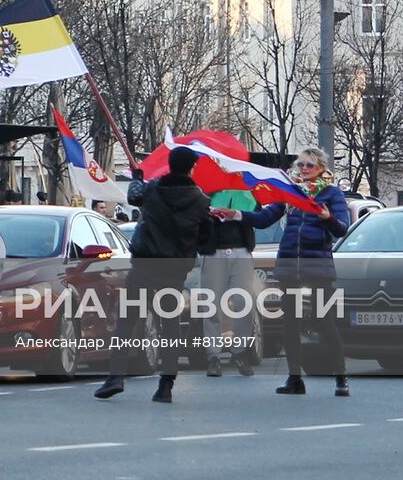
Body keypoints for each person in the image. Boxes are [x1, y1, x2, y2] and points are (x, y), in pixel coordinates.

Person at [215, 147, 350, 397]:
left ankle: (341, 378)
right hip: (289, 265)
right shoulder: (290, 193)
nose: (304, 169)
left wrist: (327, 217)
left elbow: (342, 228)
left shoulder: (332, 194)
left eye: (309, 165)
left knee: (324, 322)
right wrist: (236, 215)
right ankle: (294, 378)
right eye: (301, 165)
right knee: (290, 324)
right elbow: (265, 217)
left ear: (321, 167)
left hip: (317, 266)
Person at [94, 149, 212, 404]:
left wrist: (137, 176)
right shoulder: (201, 201)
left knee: (126, 322)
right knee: (169, 326)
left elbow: (133, 195)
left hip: (145, 265)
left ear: (169, 165)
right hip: (174, 271)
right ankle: (166, 385)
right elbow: (206, 242)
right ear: (192, 168)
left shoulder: (154, 189)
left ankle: (115, 376)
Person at [198, 185, 258, 378]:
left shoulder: (246, 188)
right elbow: (195, 216)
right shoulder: (206, 189)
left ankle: (239, 352)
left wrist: (239, 210)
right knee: (212, 305)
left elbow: (257, 212)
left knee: (244, 303)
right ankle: (213, 356)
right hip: (214, 250)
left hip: (241, 249)